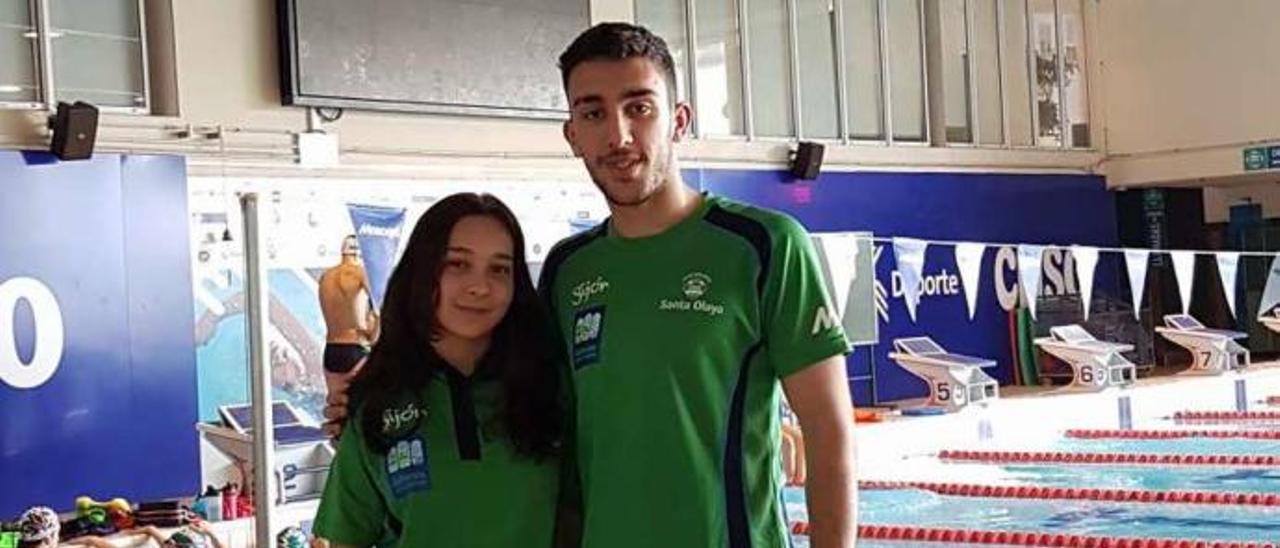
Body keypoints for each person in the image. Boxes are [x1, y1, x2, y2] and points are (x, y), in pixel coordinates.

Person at [538, 22, 858, 547]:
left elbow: (829, 432)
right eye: (593, 113)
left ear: (679, 120)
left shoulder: (763, 246)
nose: (618, 135)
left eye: (639, 107)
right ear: (573, 134)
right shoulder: (567, 269)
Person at [312, 193, 564, 547]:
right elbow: (344, 538)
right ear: (423, 270)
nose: (480, 286)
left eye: (499, 269)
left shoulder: (551, 390)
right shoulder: (376, 405)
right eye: (457, 264)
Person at [318, 235, 379, 399]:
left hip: (331, 350)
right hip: (356, 348)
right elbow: (379, 309)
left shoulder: (326, 277)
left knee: (336, 406)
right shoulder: (360, 274)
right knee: (361, 407)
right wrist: (373, 337)